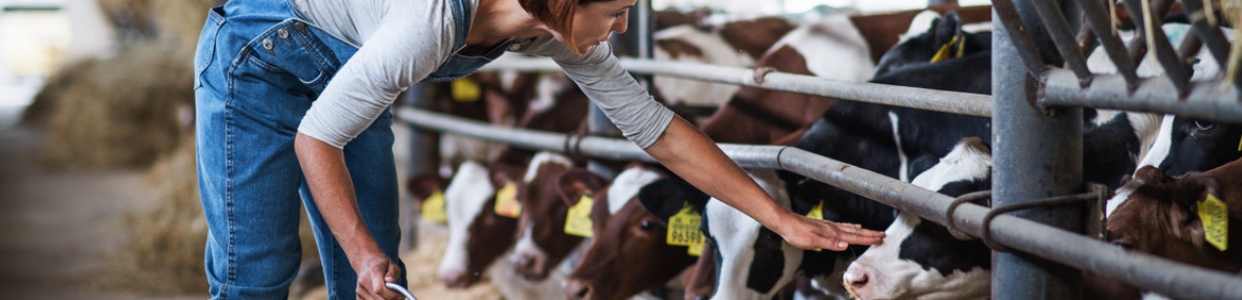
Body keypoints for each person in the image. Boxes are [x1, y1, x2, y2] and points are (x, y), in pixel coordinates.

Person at [192, 0, 887, 299]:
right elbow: (317, 138)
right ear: (561, 1)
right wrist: (358, 246)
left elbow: (658, 130)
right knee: (260, 272)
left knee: (375, 283)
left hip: (350, 83)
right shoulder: (432, 21)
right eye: (613, 13)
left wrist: (781, 218)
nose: (621, 26)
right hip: (260, 68)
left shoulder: (550, 30)